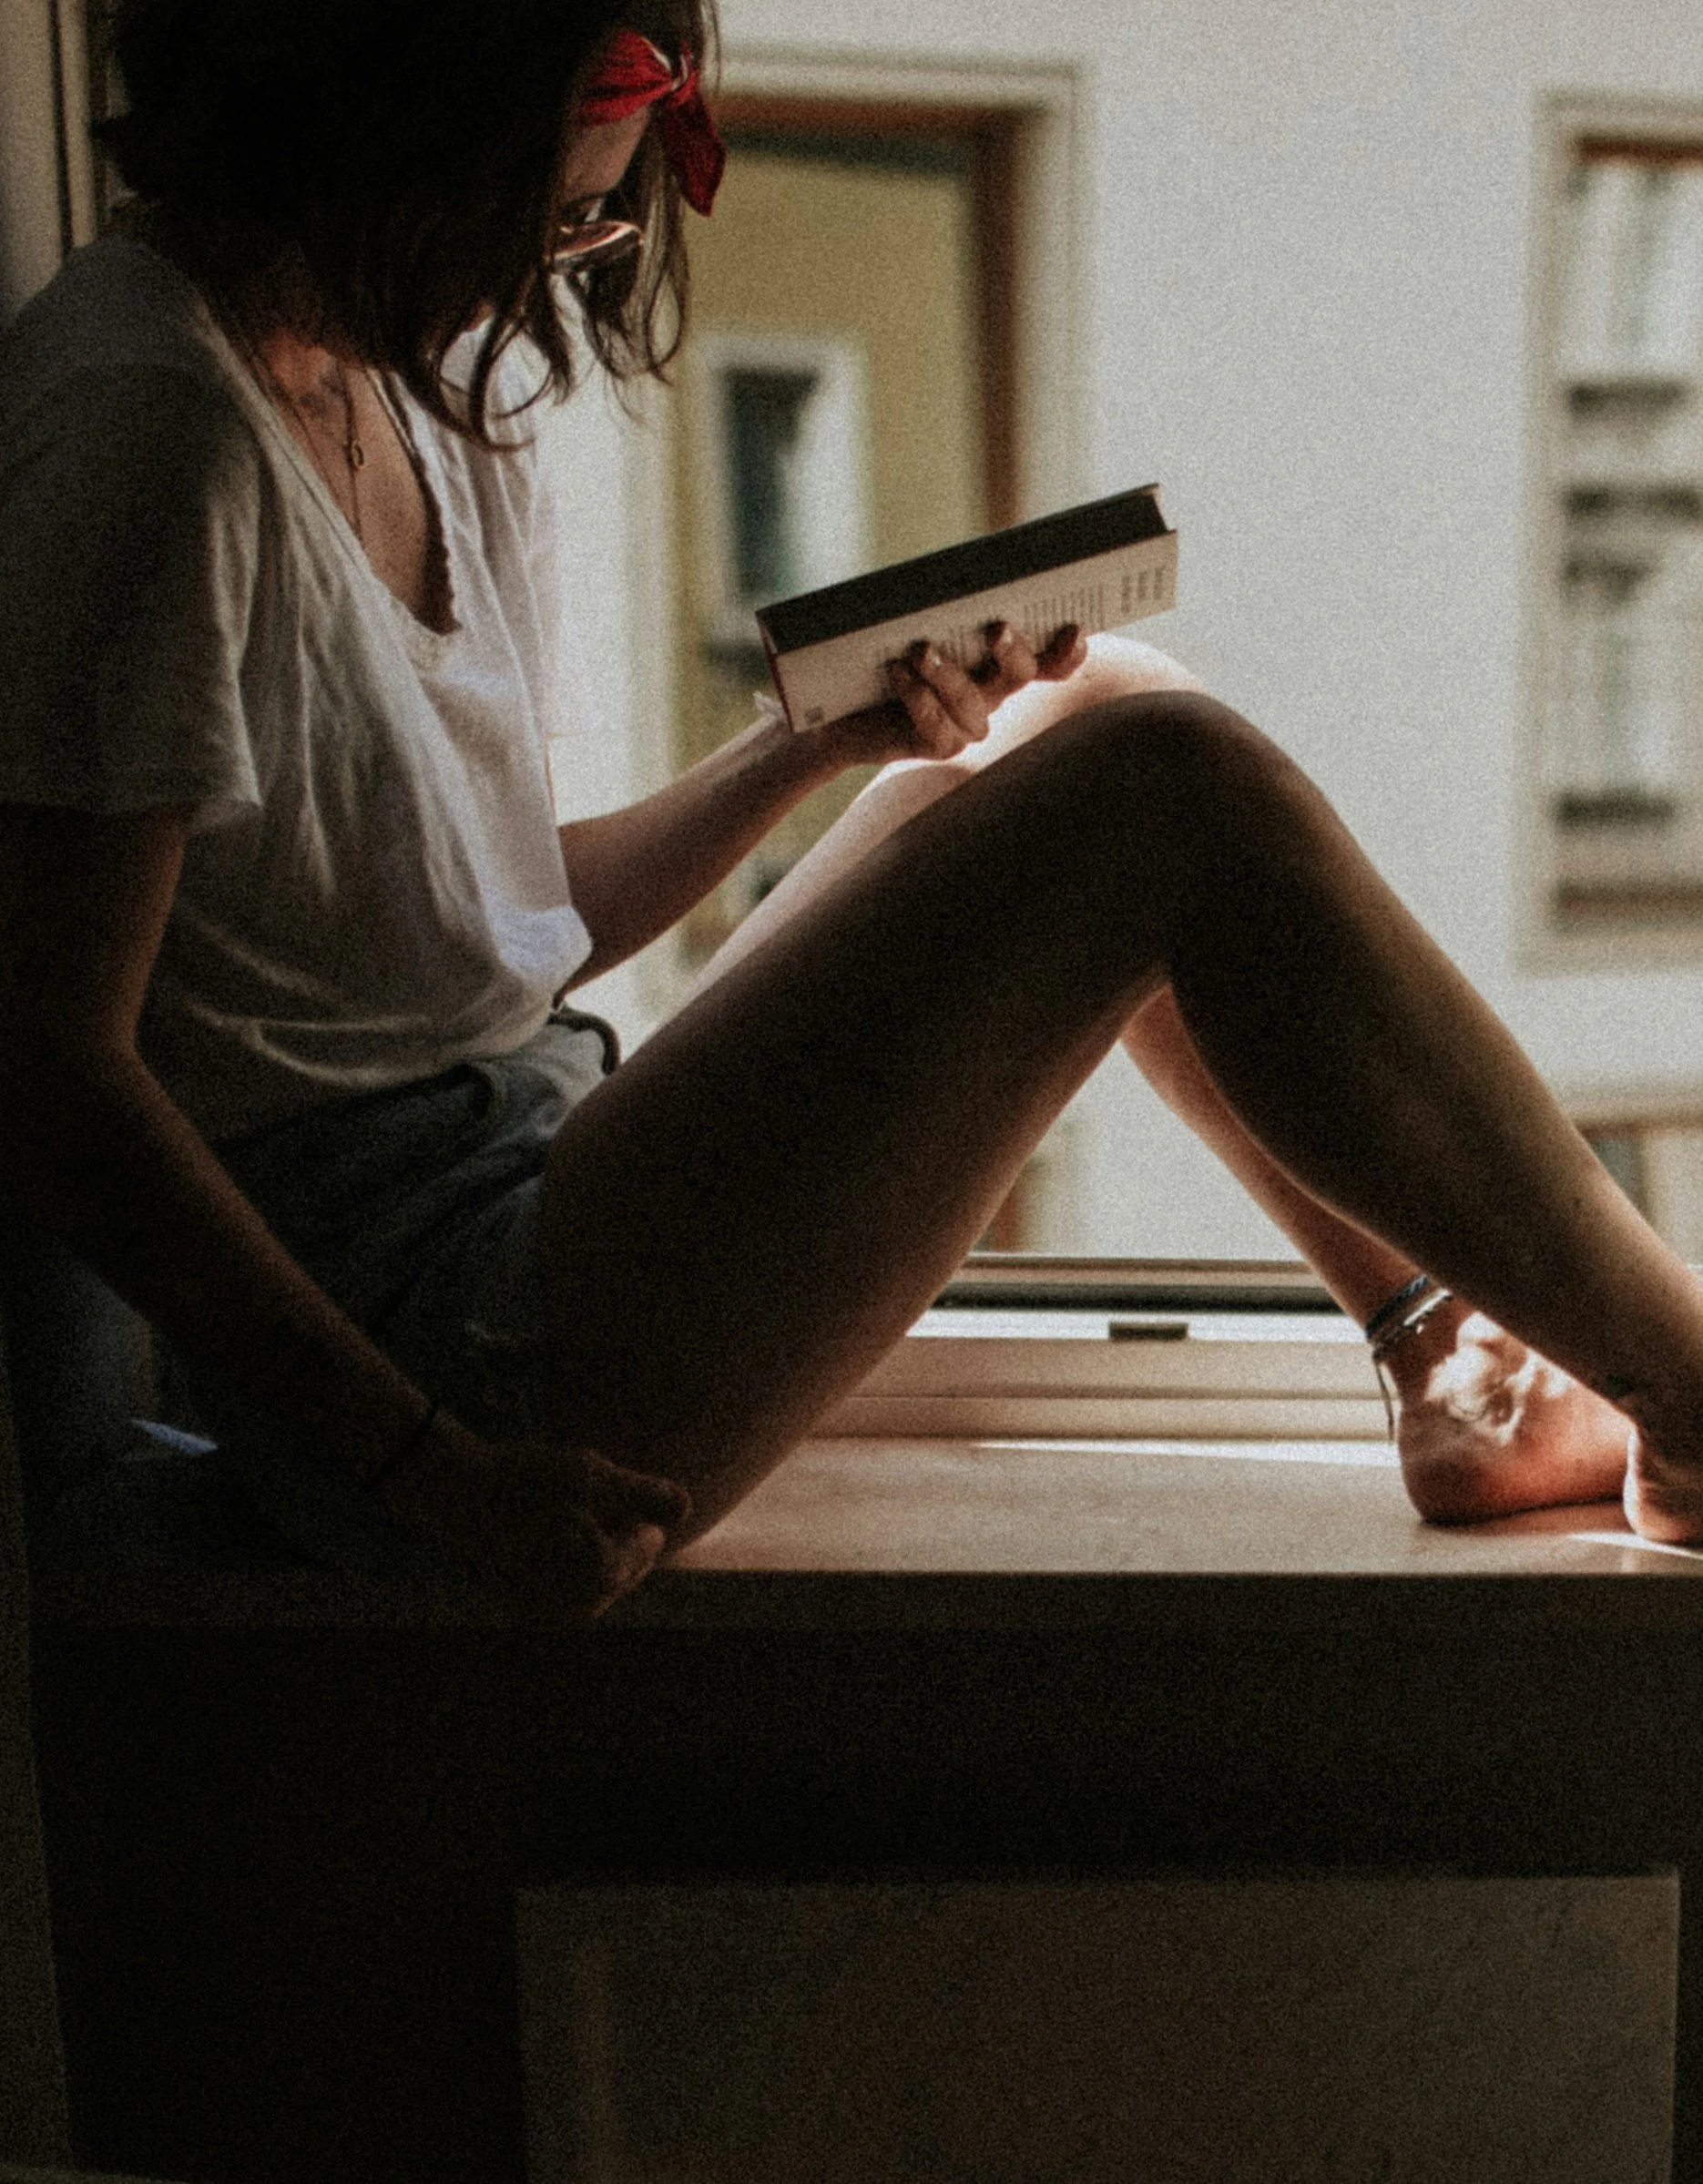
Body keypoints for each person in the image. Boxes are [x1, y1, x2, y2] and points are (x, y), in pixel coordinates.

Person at [3, 0, 1701, 1627]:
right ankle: (1688, 1387)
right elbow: (51, 1072)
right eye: (541, 222)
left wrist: (808, 752)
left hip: (525, 1176)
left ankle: (1446, 1354)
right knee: (1169, 802)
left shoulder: (397, 380)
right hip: (440, 1353)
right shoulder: (160, 443)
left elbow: (495, 924)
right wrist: (432, 1473)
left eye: (582, 234)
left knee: (1084, 702)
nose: (537, 283)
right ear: (391, 118)